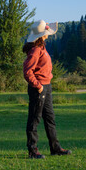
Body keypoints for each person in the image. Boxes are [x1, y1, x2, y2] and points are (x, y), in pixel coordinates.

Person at [23, 20, 72, 159]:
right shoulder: (35, 50)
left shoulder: (41, 47)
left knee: (50, 118)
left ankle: (55, 148)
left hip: (46, 87)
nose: (48, 35)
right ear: (42, 35)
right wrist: (38, 86)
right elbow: (27, 71)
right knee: (34, 120)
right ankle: (32, 152)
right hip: (38, 88)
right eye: (46, 33)